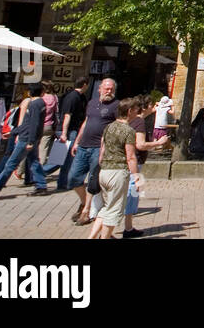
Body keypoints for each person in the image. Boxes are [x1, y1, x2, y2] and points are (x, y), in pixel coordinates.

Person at [66, 78, 118, 225]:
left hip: (99, 148)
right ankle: (83, 202)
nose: (109, 91)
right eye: (106, 88)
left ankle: (86, 211)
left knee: (93, 181)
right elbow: (86, 122)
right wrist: (76, 141)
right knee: (73, 178)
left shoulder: (116, 106)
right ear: (99, 89)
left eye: (112, 89)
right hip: (83, 146)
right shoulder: (92, 103)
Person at [0, 83, 49, 198]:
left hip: (26, 139)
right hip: (29, 137)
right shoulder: (38, 103)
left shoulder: (35, 104)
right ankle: (41, 185)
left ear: (29, 92)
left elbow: (34, 124)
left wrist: (30, 141)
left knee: (11, 164)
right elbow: (29, 123)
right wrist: (13, 132)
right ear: (41, 92)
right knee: (34, 162)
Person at [89, 97, 139, 240]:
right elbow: (130, 157)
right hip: (118, 172)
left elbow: (101, 151)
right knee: (114, 211)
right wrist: (137, 178)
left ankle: (91, 237)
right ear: (129, 111)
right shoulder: (128, 131)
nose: (137, 112)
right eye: (135, 109)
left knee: (106, 208)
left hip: (104, 171)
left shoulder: (108, 127)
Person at [123, 96, 170, 237]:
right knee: (133, 195)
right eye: (151, 105)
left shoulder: (132, 120)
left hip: (130, 162)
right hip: (135, 163)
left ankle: (128, 227)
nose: (153, 108)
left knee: (130, 195)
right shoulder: (140, 122)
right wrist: (159, 142)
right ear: (145, 107)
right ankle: (126, 229)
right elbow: (140, 145)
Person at [55, 77, 89, 192]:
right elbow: (67, 115)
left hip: (72, 130)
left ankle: (63, 183)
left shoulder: (80, 97)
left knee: (67, 159)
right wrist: (64, 133)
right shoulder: (72, 97)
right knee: (62, 158)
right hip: (68, 131)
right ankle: (39, 173)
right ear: (85, 84)